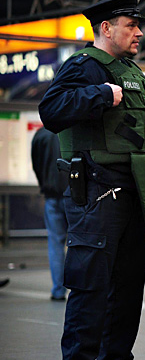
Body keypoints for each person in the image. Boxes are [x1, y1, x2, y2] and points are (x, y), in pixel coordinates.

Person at [38, 0, 145, 360]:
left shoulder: (134, 73)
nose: (139, 33)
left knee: (129, 286)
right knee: (90, 285)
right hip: (96, 191)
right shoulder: (84, 66)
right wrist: (100, 95)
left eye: (138, 26)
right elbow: (51, 110)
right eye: (131, 26)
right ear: (106, 28)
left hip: (133, 192)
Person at [31, 126, 69, 301]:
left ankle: (58, 290)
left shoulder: (41, 135)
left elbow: (36, 164)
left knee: (55, 243)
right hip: (73, 195)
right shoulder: (72, 130)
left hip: (51, 195)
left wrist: (44, 185)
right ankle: (79, 290)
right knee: (79, 243)